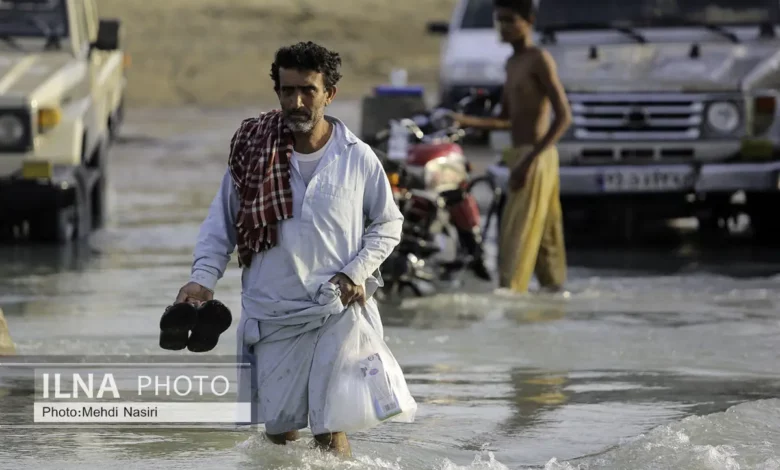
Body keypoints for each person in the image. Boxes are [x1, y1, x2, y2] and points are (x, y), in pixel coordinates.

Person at [172, 41, 406, 457]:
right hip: (272, 311)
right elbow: (220, 225)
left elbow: (388, 224)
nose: (296, 101)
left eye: (308, 91)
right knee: (280, 436)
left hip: (334, 311)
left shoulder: (357, 158)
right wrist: (202, 280)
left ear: (329, 94)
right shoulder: (252, 151)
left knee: (330, 428)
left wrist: (356, 271)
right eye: (287, 90)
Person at [453, 0, 572, 293]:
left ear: (528, 21)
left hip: (537, 155)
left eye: (509, 20)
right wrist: (464, 120)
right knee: (545, 237)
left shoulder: (539, 58)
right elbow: (505, 119)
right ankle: (554, 297)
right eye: (499, 20)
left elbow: (564, 116)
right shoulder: (511, 62)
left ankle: (510, 296)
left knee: (514, 236)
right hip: (521, 154)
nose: (502, 27)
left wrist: (530, 160)